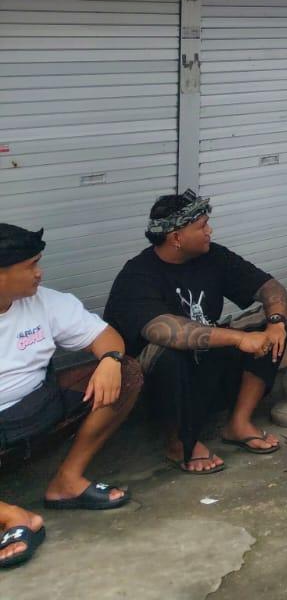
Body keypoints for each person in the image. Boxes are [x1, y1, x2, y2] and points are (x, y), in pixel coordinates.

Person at [104, 192, 287, 475]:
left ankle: (238, 423)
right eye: (201, 226)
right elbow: (169, 332)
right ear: (176, 237)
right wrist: (239, 339)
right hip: (158, 379)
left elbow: (270, 287)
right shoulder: (137, 276)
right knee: (170, 352)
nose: (209, 231)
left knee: (270, 327)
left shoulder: (213, 256)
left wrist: (276, 322)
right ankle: (178, 443)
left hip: (206, 361)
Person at [0, 225, 141, 568]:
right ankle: (12, 515)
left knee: (127, 373)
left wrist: (110, 360)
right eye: (31, 265)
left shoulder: (44, 301)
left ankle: (67, 481)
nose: (39, 272)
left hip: (38, 407)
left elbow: (106, 336)